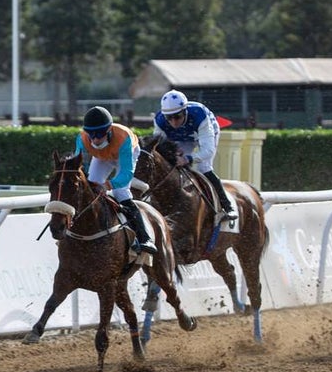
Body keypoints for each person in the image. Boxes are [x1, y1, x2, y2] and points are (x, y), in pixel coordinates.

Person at [75, 106, 156, 255]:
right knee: (91, 187)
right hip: (101, 157)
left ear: (109, 130)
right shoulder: (82, 139)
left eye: (100, 134)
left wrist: (108, 185)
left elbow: (126, 174)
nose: (95, 139)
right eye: (91, 134)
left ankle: (144, 237)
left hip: (124, 155)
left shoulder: (123, 138)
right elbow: (79, 167)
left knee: (120, 192)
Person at [152, 89, 237, 224]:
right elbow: (159, 148)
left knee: (204, 167)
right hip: (181, 138)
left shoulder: (199, 115)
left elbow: (208, 151)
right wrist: (173, 153)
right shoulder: (160, 120)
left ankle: (226, 206)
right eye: (169, 118)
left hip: (203, 133)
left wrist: (188, 159)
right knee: (170, 164)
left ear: (185, 111)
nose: (173, 122)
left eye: (177, 117)